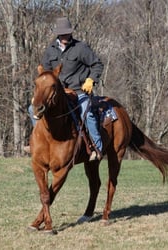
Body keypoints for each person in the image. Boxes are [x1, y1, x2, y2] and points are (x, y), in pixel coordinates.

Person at [26, 17, 104, 161]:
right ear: (58, 34)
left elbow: (97, 64)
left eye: (67, 33)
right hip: (56, 94)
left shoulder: (80, 48)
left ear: (70, 33)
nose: (64, 36)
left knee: (87, 114)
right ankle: (37, 143)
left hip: (78, 91)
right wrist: (40, 94)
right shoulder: (51, 50)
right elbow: (45, 73)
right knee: (33, 109)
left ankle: (96, 147)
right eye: (62, 34)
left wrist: (91, 80)